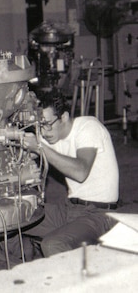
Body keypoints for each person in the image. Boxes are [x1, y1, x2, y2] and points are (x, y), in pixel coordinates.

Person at [9, 89, 119, 260]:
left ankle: (74, 286)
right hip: (70, 210)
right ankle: (24, 265)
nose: (43, 132)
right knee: (11, 219)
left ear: (64, 117)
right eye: (39, 126)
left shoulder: (88, 127)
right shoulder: (50, 135)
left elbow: (80, 172)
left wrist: (39, 147)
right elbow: (19, 160)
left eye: (47, 124)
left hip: (99, 215)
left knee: (53, 244)